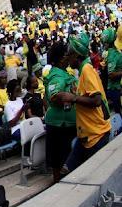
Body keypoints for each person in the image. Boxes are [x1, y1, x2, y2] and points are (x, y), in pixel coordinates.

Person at [55, 33, 111, 172]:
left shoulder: (86, 70)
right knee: (67, 170)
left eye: (69, 53)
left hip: (96, 135)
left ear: (76, 55)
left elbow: (97, 100)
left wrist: (73, 98)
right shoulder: (83, 70)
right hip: (87, 135)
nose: (67, 57)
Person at [44, 41, 77, 183]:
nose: (70, 57)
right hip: (60, 126)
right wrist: (73, 98)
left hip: (67, 124)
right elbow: (55, 95)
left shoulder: (63, 72)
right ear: (63, 57)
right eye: (68, 55)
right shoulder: (56, 76)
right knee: (59, 162)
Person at [103, 26, 122, 114]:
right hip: (115, 90)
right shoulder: (112, 55)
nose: (104, 45)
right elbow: (111, 75)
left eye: (105, 43)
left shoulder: (115, 53)